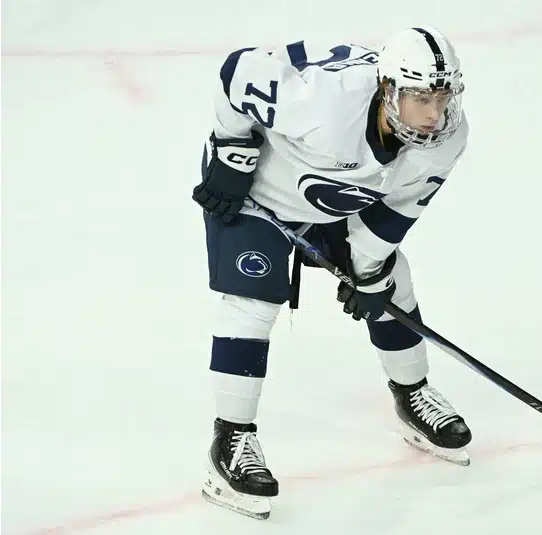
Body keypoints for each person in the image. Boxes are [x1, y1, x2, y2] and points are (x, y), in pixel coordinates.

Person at [192, 26, 471, 520]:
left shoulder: (445, 137)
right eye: (420, 97)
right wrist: (233, 151)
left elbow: (396, 212)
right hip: (260, 195)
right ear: (388, 89)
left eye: (443, 96)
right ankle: (231, 441)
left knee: (392, 279)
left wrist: (367, 276)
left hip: (336, 200)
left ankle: (412, 395)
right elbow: (239, 72)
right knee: (253, 303)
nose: (434, 113)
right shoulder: (323, 104)